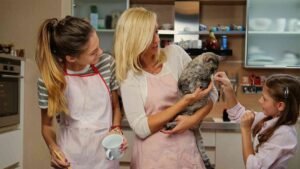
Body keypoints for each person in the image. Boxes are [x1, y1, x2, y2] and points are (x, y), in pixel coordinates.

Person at [114, 7, 218, 169]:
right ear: (134, 40)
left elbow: (212, 94)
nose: (156, 40)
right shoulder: (128, 77)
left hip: (186, 153)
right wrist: (183, 103)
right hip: (152, 159)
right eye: (149, 35)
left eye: (156, 31)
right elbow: (141, 127)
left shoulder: (175, 55)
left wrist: (192, 120)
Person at [36, 16, 125, 169]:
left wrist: (116, 129)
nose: (101, 52)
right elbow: (46, 125)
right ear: (71, 57)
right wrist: (53, 148)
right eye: (93, 52)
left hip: (105, 158)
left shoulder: (106, 63)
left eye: (98, 46)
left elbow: (116, 107)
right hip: (71, 160)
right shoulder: (51, 79)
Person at [214, 72, 300, 169]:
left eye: (264, 99)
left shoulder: (284, 133)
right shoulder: (269, 118)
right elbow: (238, 114)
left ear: (280, 106)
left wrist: (246, 130)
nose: (260, 101)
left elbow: (253, 167)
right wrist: (228, 88)